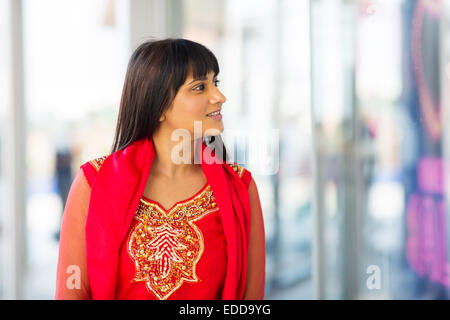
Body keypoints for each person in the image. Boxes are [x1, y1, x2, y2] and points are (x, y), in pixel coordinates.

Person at [55, 38, 265, 300]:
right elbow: (72, 291)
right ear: (159, 106)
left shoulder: (240, 187)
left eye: (216, 83)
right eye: (200, 87)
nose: (219, 97)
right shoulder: (92, 183)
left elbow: (251, 297)